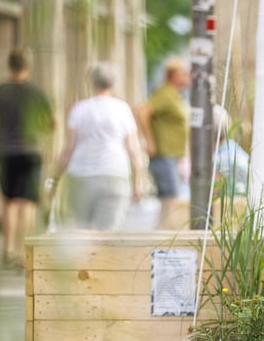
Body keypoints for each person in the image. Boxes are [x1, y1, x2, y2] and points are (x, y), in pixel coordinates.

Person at [0, 48, 55, 266]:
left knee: (9, 203)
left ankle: (8, 250)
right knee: (28, 204)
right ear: (27, 66)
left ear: (9, 66)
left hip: (6, 152)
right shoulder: (36, 91)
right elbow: (52, 122)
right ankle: (23, 252)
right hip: (31, 152)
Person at [48, 62, 143, 230]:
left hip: (80, 176)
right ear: (113, 84)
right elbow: (134, 150)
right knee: (107, 234)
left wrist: (54, 179)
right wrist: (138, 182)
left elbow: (68, 148)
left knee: (80, 231)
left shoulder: (79, 109)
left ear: (91, 82)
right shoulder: (122, 109)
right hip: (114, 174)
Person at [137, 57, 191, 228]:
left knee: (171, 201)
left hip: (173, 156)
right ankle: (161, 240)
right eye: (184, 73)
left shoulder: (176, 96)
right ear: (173, 75)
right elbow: (143, 111)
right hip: (163, 155)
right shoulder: (165, 93)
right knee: (170, 200)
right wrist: (149, 141)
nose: (188, 77)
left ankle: (163, 238)